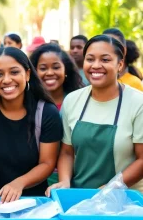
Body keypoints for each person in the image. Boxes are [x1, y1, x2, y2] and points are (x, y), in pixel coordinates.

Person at [46, 35, 143, 196]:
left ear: (119, 64)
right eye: (90, 59)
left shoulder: (138, 102)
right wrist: (64, 181)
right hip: (81, 199)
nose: (96, 65)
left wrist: (111, 188)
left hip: (126, 201)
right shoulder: (72, 100)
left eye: (105, 60)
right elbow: (66, 152)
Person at [0, 47, 63, 204]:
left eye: (14, 72)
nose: (6, 80)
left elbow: (47, 163)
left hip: (34, 202)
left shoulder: (46, 112)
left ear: (27, 74)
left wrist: (18, 184)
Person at [30, 43, 83, 110]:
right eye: (43, 68)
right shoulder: (29, 103)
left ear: (66, 70)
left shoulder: (78, 101)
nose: (50, 73)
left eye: (56, 67)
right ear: (35, 71)